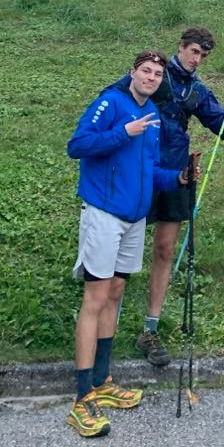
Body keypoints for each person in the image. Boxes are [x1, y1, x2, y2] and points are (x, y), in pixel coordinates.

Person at [66, 50, 196, 438]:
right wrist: (123, 132)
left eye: (157, 74)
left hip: (134, 218)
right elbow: (78, 145)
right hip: (104, 213)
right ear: (133, 73)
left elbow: (149, 170)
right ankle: (81, 397)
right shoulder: (111, 102)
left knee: (117, 291)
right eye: (146, 71)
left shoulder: (153, 116)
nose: (152, 78)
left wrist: (178, 179)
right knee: (96, 296)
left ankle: (103, 381)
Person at [129, 26, 224, 366]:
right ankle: (105, 314)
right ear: (181, 47)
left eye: (204, 55)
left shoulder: (197, 90)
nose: (197, 59)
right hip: (138, 167)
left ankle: (150, 328)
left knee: (164, 248)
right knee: (125, 243)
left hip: (176, 171)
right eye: (194, 51)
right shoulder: (153, 76)